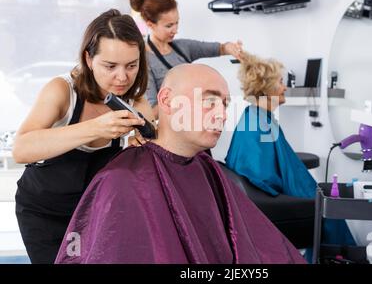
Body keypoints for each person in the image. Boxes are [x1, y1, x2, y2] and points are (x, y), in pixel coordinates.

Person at [55, 64, 306, 264]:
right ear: (166, 101)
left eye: (225, 104)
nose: (222, 114)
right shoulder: (122, 180)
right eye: (209, 101)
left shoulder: (206, 169)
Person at [12, 9, 155, 264]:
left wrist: (142, 142)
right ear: (89, 59)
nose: (122, 77)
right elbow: (21, 148)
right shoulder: (62, 90)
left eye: (131, 66)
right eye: (110, 66)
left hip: (92, 212)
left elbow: (153, 138)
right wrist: (96, 128)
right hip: (44, 212)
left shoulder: (133, 98)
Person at [225, 52, 355, 254]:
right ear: (267, 88)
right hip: (285, 201)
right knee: (331, 210)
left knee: (330, 200)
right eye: (280, 82)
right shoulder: (259, 124)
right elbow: (260, 176)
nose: (285, 87)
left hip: (291, 192)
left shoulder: (256, 117)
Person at [128, 0, 243, 116]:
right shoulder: (144, 60)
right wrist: (185, 100)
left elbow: (220, 48)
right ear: (151, 25)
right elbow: (152, 112)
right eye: (169, 25)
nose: (175, 30)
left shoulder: (182, 47)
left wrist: (230, 48)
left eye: (177, 23)